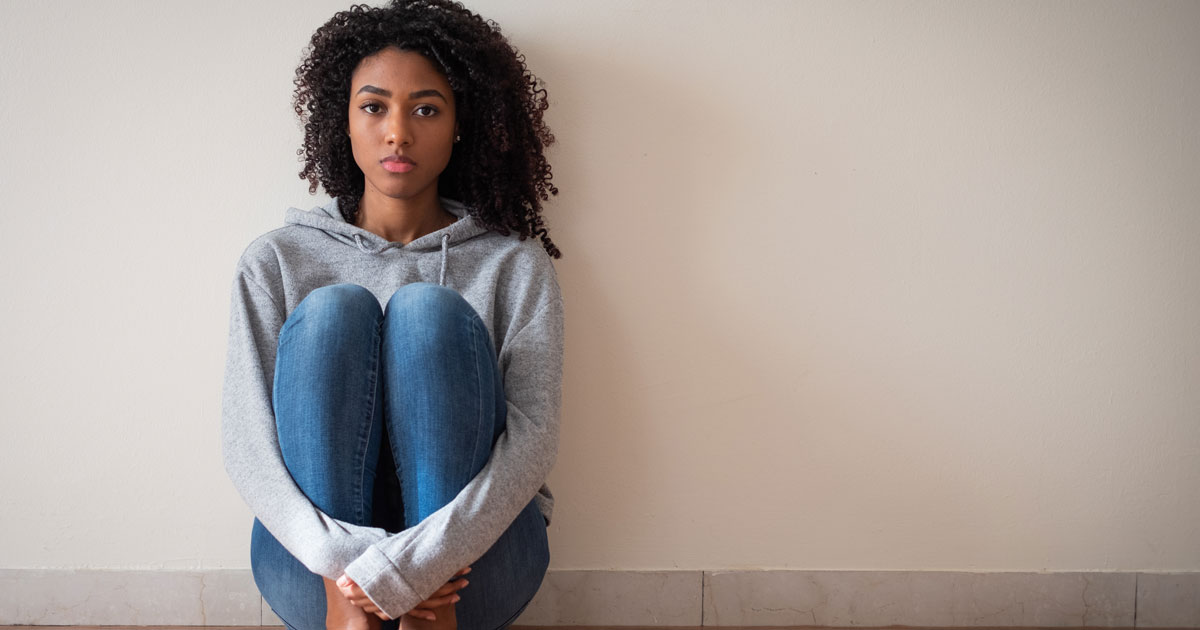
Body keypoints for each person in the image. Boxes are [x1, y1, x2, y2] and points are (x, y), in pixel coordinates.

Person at [220, 1, 564, 629]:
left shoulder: (512, 264)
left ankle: (429, 620)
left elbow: (534, 438)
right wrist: (350, 564)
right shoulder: (276, 259)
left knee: (428, 316)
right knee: (332, 314)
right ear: (342, 121)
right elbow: (247, 439)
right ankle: (348, 618)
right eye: (374, 107)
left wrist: (423, 564)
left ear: (461, 125)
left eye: (426, 109)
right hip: (321, 571)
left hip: (471, 572)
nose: (398, 132)